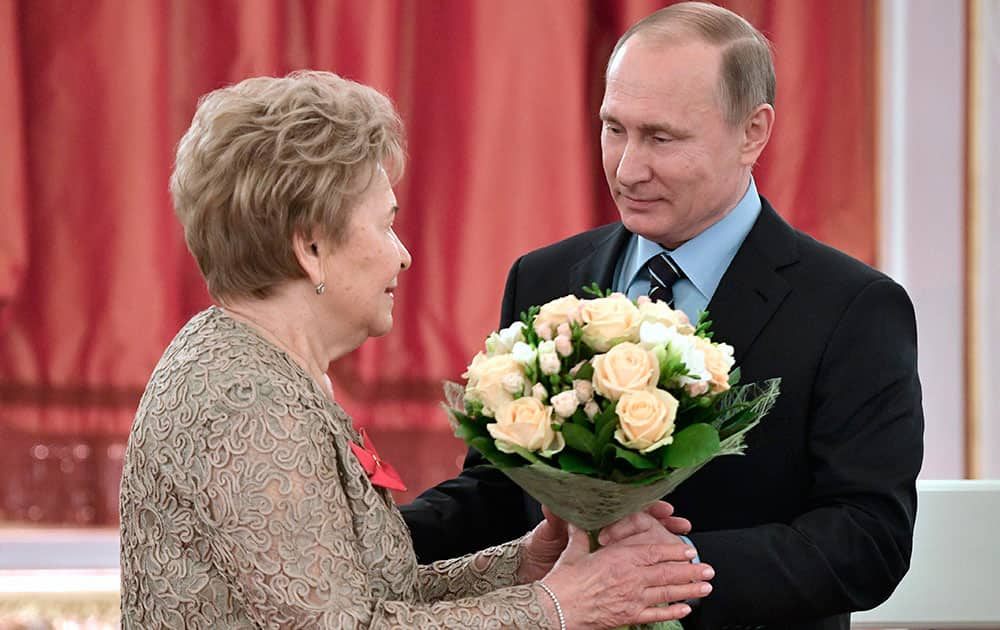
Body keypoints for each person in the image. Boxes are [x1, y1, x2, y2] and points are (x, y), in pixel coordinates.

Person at [118, 70, 715, 629]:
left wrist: (526, 563)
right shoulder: (248, 403)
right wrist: (558, 608)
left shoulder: (255, 367)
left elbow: (365, 596)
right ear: (311, 248)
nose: (401, 255)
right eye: (385, 225)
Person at [401, 4, 924, 629]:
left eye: (661, 137)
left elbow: (868, 538)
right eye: (613, 128)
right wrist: (366, 541)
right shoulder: (542, 278)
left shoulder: (852, 308)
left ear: (753, 132)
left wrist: (668, 573)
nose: (627, 169)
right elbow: (495, 491)